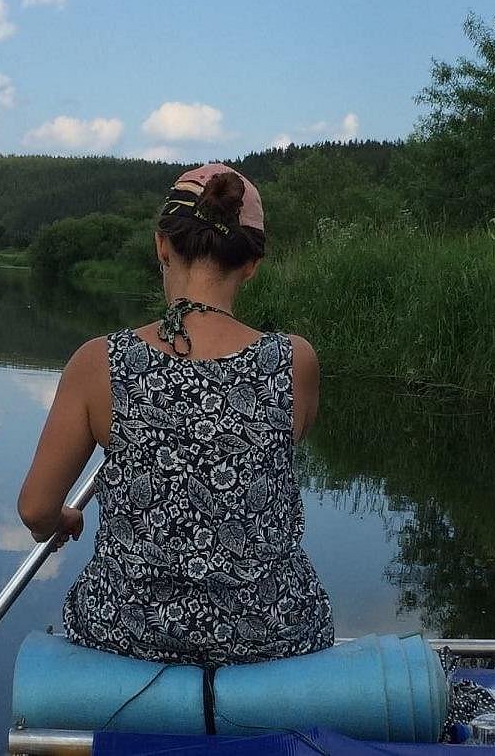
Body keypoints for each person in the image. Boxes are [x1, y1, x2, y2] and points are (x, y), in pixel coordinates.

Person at [17, 163, 334, 666]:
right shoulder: (295, 361)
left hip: (126, 632)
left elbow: (36, 510)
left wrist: (62, 519)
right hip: (273, 632)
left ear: (161, 245)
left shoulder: (98, 362)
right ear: (252, 263)